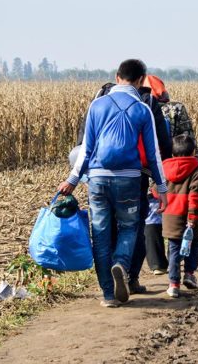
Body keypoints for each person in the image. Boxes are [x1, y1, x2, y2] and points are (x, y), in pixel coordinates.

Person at [59, 59, 169, 308]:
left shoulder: (97, 105)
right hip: (129, 179)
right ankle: (121, 263)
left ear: (117, 77)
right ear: (142, 81)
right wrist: (161, 189)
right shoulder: (143, 109)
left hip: (97, 179)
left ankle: (108, 295)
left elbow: (86, 148)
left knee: (100, 235)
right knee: (130, 227)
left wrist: (72, 180)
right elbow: (153, 155)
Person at [161, 135, 198, 298]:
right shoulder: (197, 171)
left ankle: (173, 284)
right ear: (193, 151)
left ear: (172, 154)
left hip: (170, 217)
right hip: (190, 218)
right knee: (193, 244)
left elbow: (156, 190)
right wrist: (193, 216)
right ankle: (189, 274)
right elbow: (196, 196)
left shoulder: (164, 169)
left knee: (173, 250)